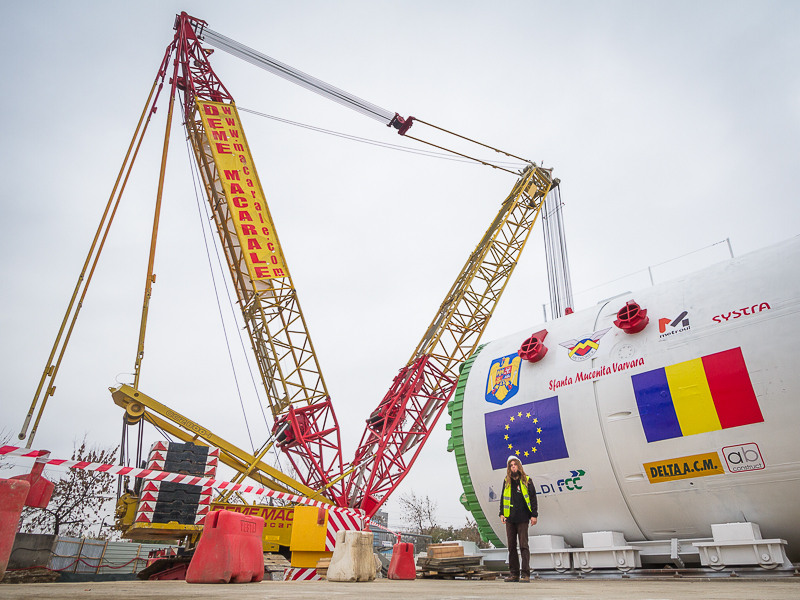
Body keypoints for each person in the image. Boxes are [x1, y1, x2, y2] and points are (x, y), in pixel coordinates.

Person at [499, 455, 538, 582]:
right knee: (511, 547)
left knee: (523, 546)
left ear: (519, 466)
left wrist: (534, 515)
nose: (513, 467)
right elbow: (502, 498)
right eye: (511, 465)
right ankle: (514, 574)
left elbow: (533, 498)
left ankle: (525, 574)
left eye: (515, 464)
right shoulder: (506, 481)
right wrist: (501, 513)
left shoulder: (527, 480)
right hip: (510, 518)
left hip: (523, 518)